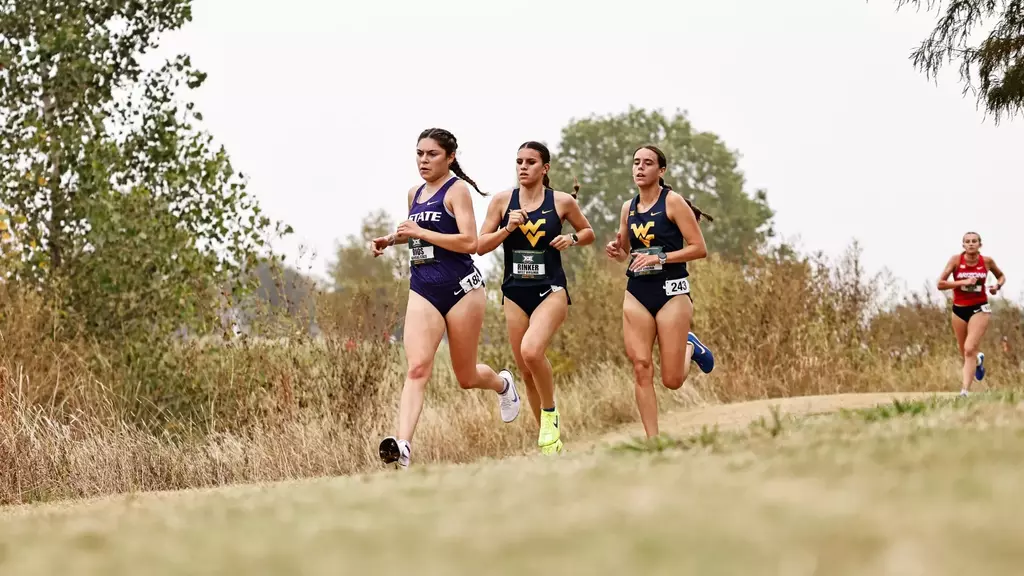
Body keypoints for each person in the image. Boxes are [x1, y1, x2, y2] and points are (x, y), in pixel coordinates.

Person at [370, 127, 521, 468]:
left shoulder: (458, 191)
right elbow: (417, 234)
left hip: (462, 289)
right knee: (418, 367)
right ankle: (404, 446)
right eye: (420, 154)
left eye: (432, 154)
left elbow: (470, 243)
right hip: (424, 288)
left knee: (466, 377)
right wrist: (390, 239)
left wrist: (421, 232)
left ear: (450, 157)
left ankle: (502, 384)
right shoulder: (414, 193)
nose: (424, 160)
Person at [476, 141, 595, 455]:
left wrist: (571, 238)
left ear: (545, 168)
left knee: (531, 351)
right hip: (515, 292)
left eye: (530, 161)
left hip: (551, 289)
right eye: (519, 161)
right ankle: (549, 443)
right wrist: (506, 228)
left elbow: (588, 232)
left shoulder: (562, 201)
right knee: (526, 371)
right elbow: (480, 244)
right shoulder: (503, 202)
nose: (523, 167)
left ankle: (550, 411)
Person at [604, 145, 716, 439]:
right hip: (638, 291)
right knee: (641, 367)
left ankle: (690, 347)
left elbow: (698, 248)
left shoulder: (673, 202)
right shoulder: (628, 207)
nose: (640, 168)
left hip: (672, 291)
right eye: (636, 163)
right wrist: (617, 251)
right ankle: (653, 443)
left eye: (648, 163)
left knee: (672, 380)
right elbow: (628, 249)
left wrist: (661, 257)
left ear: (661, 171)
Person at [936, 231, 1005, 396]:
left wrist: (997, 286)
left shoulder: (987, 262)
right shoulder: (955, 260)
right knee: (964, 352)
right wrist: (963, 282)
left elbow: (1001, 276)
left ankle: (964, 391)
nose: (971, 244)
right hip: (959, 309)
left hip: (980, 308)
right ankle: (979, 359)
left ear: (980, 244)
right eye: (967, 241)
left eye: (974, 241)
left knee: (969, 349)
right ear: (963, 245)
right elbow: (940, 284)